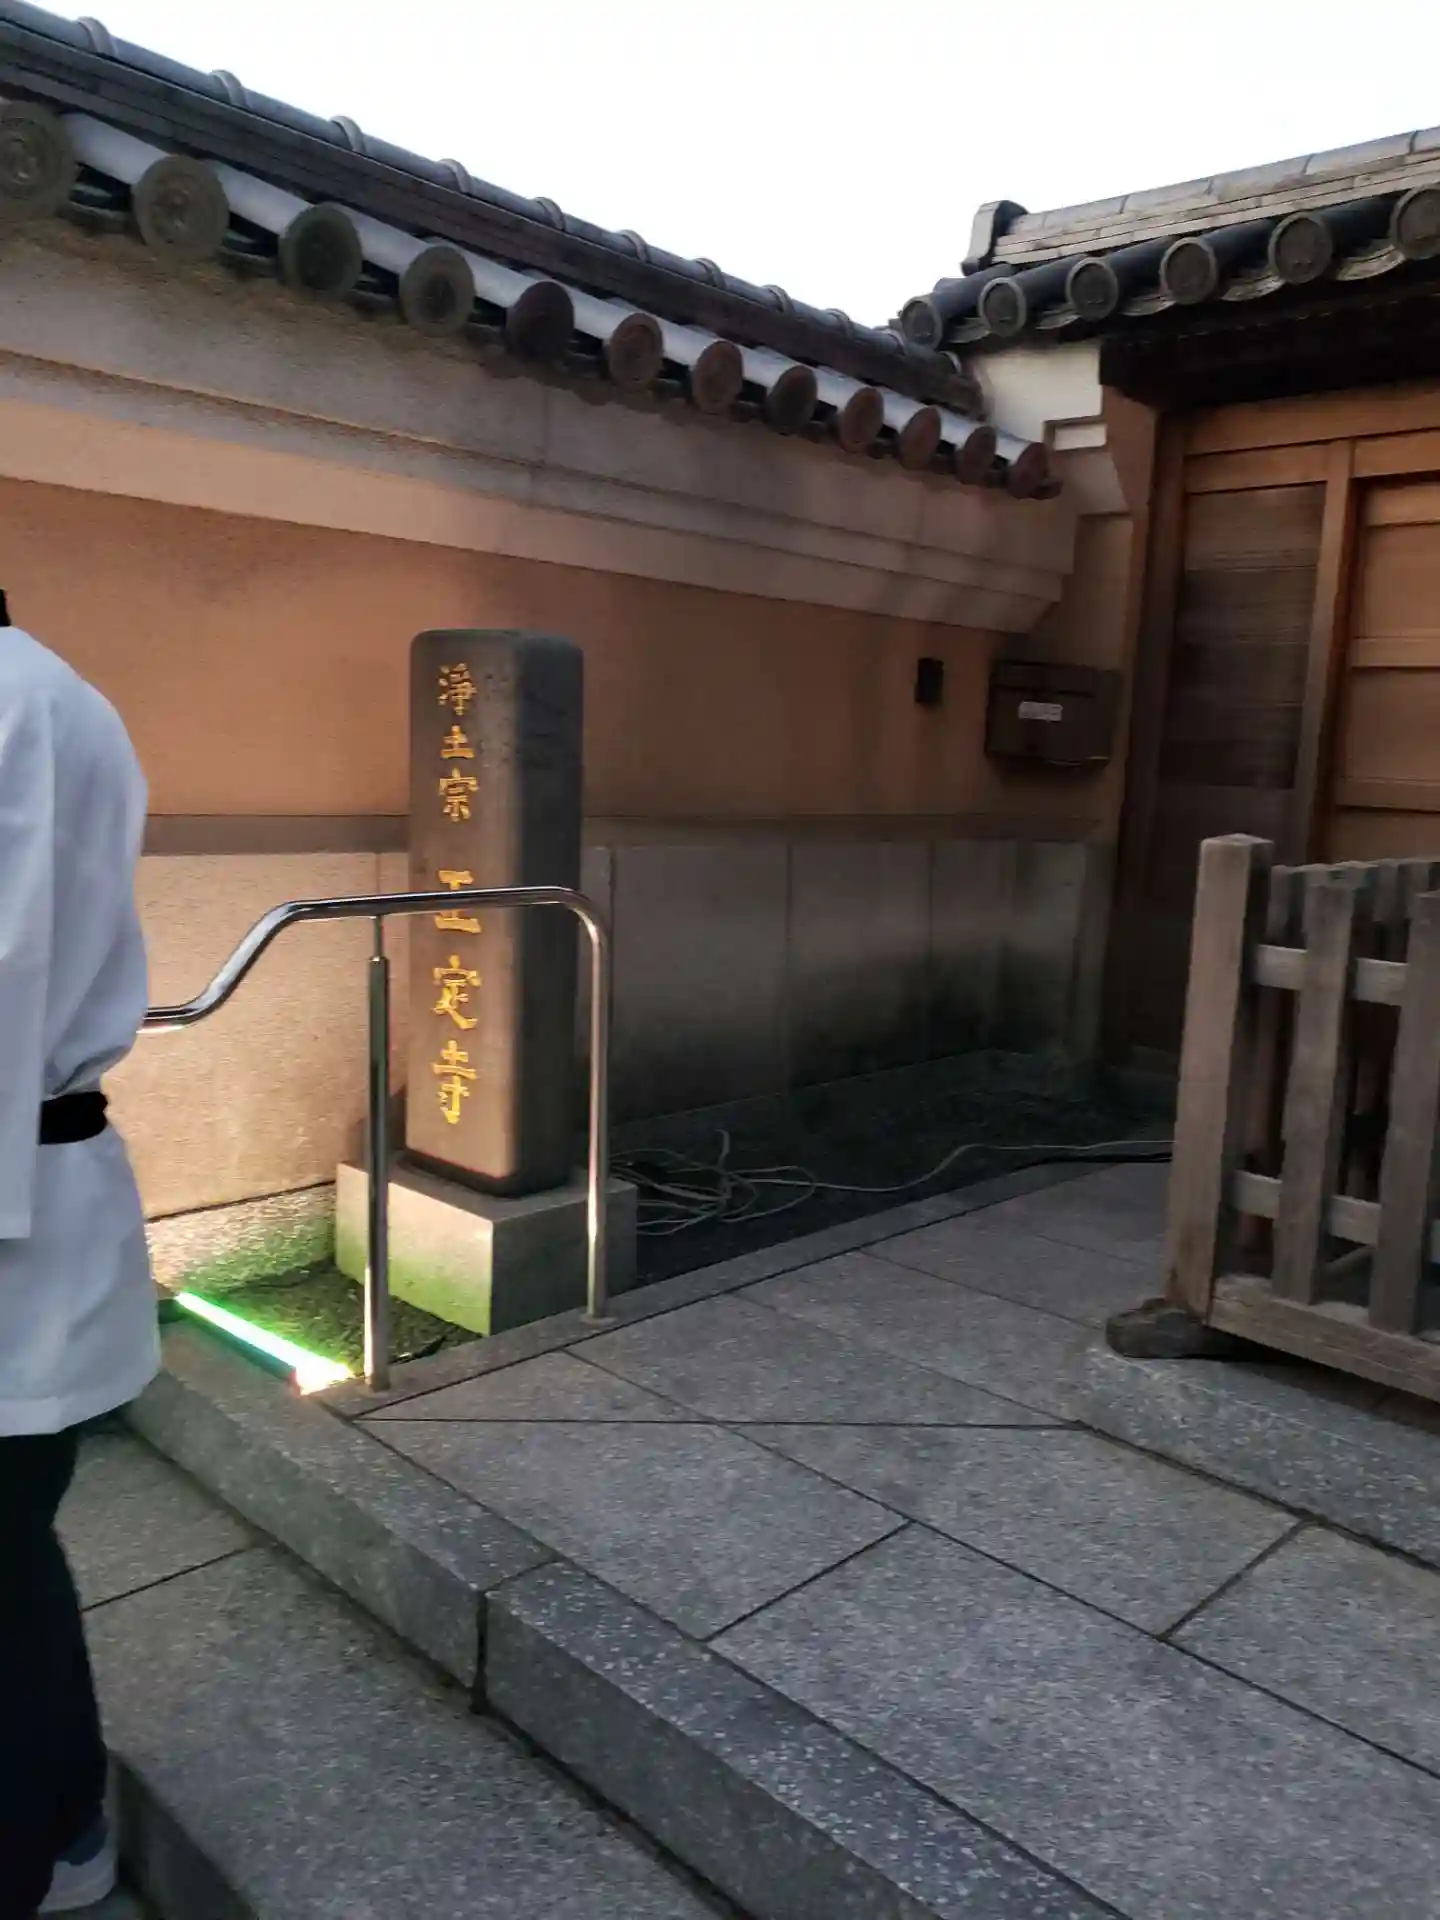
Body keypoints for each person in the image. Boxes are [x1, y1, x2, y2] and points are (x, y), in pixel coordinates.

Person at [0, 615, 159, 1916]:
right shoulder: (64, 697)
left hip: (23, 1201)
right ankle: (65, 1826)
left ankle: (47, 1834)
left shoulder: (18, 703)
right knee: (10, 1548)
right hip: (39, 1188)